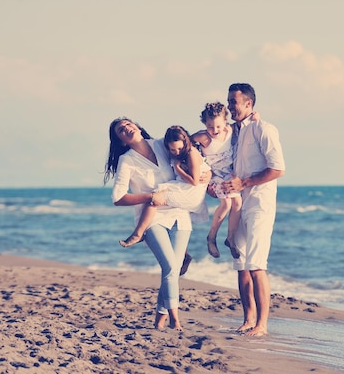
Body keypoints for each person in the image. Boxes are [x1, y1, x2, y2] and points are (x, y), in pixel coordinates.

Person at [104, 117, 209, 331]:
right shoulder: (127, 160)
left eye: (128, 124)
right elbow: (118, 198)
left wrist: (206, 172)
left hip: (179, 212)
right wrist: (150, 197)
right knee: (170, 267)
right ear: (121, 141)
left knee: (173, 269)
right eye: (121, 131)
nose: (126, 128)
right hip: (152, 218)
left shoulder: (161, 144)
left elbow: (190, 149)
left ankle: (159, 320)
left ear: (138, 127)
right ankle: (175, 320)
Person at [221, 83, 285, 337]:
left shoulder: (264, 129)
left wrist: (244, 182)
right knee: (241, 265)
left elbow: (278, 169)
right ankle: (248, 319)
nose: (229, 106)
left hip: (260, 204)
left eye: (233, 102)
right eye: (228, 101)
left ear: (249, 104)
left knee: (257, 264)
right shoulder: (233, 133)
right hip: (238, 203)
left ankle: (262, 325)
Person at [119, 125, 211, 249]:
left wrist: (178, 169)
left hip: (191, 191)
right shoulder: (175, 152)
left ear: (185, 142)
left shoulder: (191, 153)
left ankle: (138, 233)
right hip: (184, 187)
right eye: (172, 150)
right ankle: (140, 234)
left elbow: (194, 181)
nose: (177, 152)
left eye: (179, 148)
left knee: (155, 197)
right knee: (156, 194)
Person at [192, 102, 245, 260]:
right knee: (227, 204)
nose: (214, 131)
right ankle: (211, 238)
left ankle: (230, 238)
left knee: (238, 203)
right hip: (213, 175)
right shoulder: (203, 136)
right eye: (210, 127)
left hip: (229, 173)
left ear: (225, 122)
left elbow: (245, 122)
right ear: (204, 124)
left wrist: (256, 116)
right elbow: (184, 143)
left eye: (218, 127)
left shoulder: (231, 130)